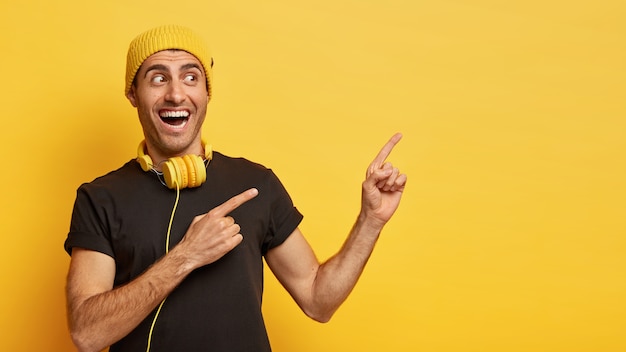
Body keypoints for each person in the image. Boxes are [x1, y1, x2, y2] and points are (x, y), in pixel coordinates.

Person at [64, 24, 407, 352]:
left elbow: (319, 301)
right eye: (157, 78)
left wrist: (370, 221)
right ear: (132, 94)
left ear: (206, 92)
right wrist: (186, 256)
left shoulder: (256, 184)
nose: (176, 93)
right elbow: (87, 334)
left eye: (190, 77)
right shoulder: (99, 198)